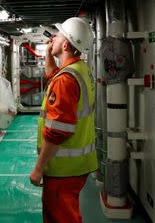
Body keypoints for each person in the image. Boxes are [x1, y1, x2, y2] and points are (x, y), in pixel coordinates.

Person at [30, 17, 98, 223]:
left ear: (66, 44)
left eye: (58, 36)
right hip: (77, 165)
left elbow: (58, 130)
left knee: (62, 218)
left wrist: (39, 168)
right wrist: (49, 54)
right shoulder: (79, 70)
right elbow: (53, 74)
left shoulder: (66, 80)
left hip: (64, 168)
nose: (54, 37)